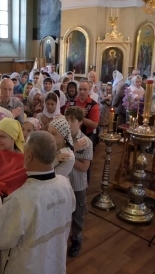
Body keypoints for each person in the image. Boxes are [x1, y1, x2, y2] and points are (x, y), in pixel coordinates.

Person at [0, 131, 75, 274]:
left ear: (29, 156)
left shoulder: (21, 199)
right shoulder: (66, 185)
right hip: (55, 261)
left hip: (27, 266)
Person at [65, 106, 93, 257]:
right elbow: (56, 156)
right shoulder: (63, 138)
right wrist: (71, 151)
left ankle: (76, 239)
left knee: (78, 215)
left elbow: (84, 167)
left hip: (77, 184)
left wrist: (68, 155)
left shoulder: (86, 142)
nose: (69, 123)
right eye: (67, 120)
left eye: (72, 120)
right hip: (63, 182)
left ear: (80, 122)